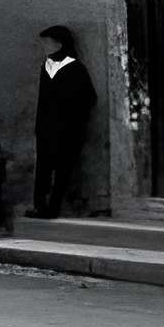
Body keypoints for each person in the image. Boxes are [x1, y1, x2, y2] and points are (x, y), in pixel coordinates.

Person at [31, 24, 96, 220]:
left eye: (47, 44)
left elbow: (90, 98)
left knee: (62, 170)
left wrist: (72, 118)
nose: (44, 48)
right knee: (43, 167)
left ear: (60, 45)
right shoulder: (46, 66)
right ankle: (39, 206)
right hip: (45, 128)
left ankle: (53, 208)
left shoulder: (75, 68)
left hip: (68, 129)